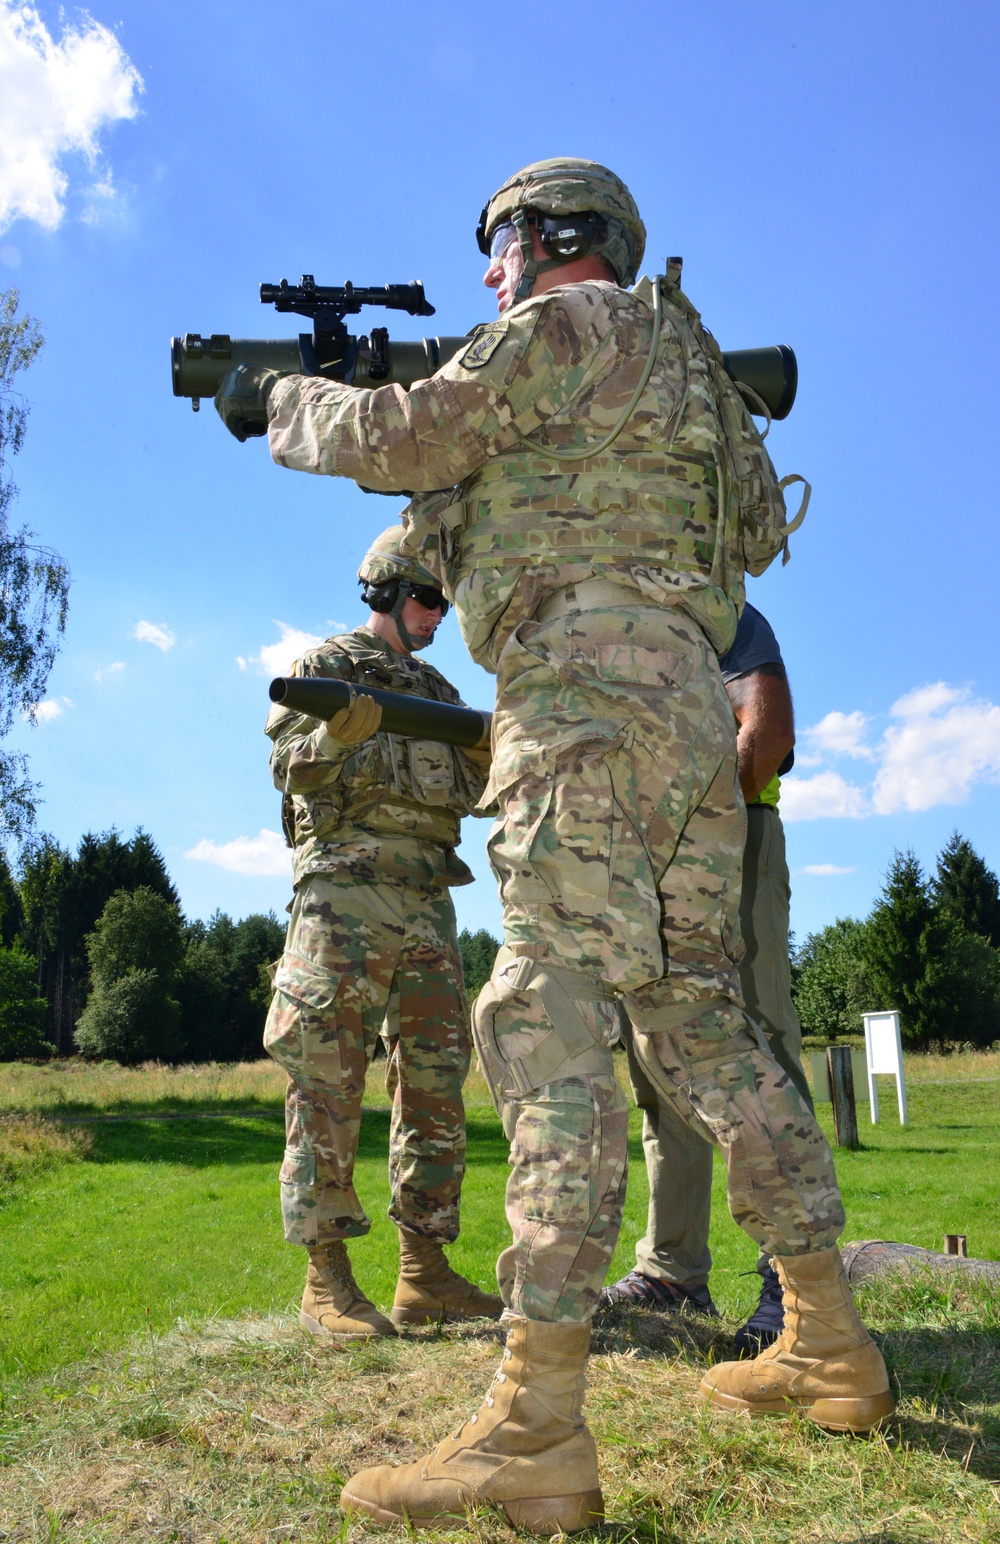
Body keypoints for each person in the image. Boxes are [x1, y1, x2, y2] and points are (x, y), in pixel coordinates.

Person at [217, 159, 892, 1535]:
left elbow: (402, 437)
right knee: (703, 1029)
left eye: (499, 245)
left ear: (554, 236)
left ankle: (534, 1423)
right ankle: (827, 1338)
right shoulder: (693, 369)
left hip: (576, 706)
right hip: (688, 723)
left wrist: (280, 398)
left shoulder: (568, 327)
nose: (487, 276)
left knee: (546, 1027)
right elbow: (754, 527)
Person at [263, 527, 501, 1338]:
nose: (439, 615)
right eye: (429, 598)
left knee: (434, 1084)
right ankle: (326, 1282)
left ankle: (422, 1273)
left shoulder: (438, 693)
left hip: (429, 900)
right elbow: (286, 766)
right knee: (326, 1082)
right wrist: (336, 736)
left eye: (444, 601)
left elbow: (483, 790)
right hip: (344, 901)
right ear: (390, 593)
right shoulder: (325, 668)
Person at [606, 602, 813, 1356]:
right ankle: (672, 1268)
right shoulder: (602, 619)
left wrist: (701, 830)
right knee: (657, 1058)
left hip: (735, 840)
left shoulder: (727, 615)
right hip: (633, 862)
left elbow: (768, 731)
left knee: (760, 1043)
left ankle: (793, 1276)